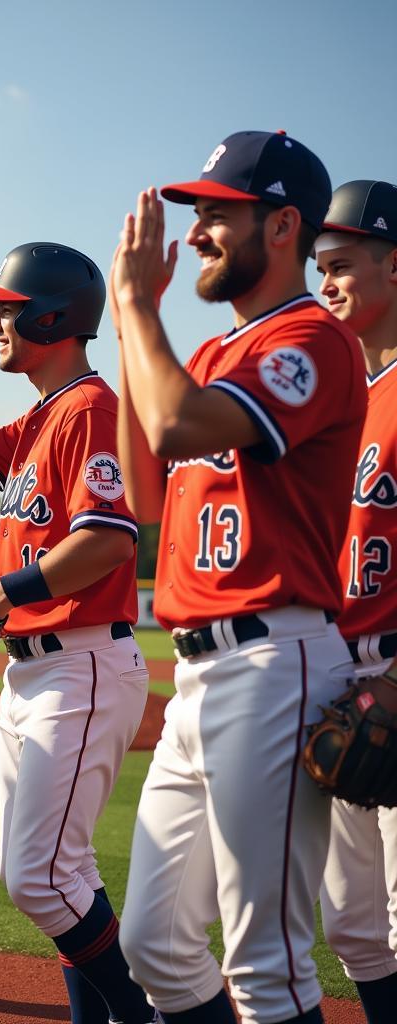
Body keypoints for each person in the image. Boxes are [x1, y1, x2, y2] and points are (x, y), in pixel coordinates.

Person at [112, 132, 366, 1023]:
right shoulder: (217, 355)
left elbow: (179, 424)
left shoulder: (315, 341)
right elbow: (148, 483)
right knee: (154, 945)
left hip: (275, 660)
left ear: (285, 223)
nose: (199, 231)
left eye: (220, 212)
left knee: (266, 965)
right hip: (196, 676)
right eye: (197, 213)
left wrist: (140, 308)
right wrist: (128, 327)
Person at [0, 242, 156, 1024]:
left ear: (52, 316)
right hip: (37, 672)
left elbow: (109, 541)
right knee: (59, 875)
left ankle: (139, 1013)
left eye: (7, 310)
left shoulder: (90, 410)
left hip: (81, 663)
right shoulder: (44, 415)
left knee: (39, 878)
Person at [313, 180, 397, 1024]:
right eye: (319, 268)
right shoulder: (345, 399)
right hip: (348, 683)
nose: (325, 283)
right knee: (353, 926)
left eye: (341, 265)